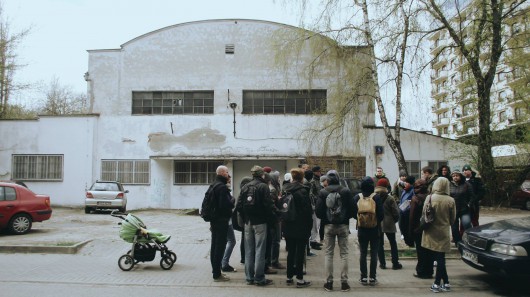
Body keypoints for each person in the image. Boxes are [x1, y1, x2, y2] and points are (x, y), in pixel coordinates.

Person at [236, 165, 276, 286]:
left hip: (248, 222)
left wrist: (245, 219)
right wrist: (272, 220)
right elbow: (268, 206)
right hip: (260, 223)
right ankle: (259, 278)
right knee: (260, 250)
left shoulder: (245, 186)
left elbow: (239, 206)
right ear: (262, 175)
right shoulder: (263, 187)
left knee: (249, 250)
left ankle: (249, 277)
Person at [316, 170, 354, 292]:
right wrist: (346, 217)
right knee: (344, 254)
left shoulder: (323, 192)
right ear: (338, 178)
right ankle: (344, 283)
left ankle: (329, 282)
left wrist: (326, 219)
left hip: (329, 225)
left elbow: (318, 211)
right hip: (343, 225)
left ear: (327, 179)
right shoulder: (346, 191)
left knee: (328, 254)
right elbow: (354, 208)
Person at [421, 178, 456, 293]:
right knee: (441, 257)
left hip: (431, 230)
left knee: (438, 258)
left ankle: (437, 283)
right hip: (443, 231)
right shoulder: (451, 200)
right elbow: (453, 219)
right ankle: (446, 282)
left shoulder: (430, 197)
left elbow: (424, 214)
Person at [282, 168, 313, 288]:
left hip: (288, 224)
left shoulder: (286, 190)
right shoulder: (303, 191)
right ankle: (300, 279)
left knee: (291, 252)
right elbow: (307, 211)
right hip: (301, 225)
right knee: (300, 252)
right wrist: (309, 227)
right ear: (301, 178)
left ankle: (289, 277)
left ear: (292, 178)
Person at [354, 177, 384, 286]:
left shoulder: (357, 197)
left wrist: (360, 220)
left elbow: (353, 212)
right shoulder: (376, 197)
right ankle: (372, 278)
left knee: (363, 253)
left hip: (362, 230)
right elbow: (381, 214)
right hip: (375, 229)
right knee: (374, 254)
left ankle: (363, 277)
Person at [209, 165, 234, 282]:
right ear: (223, 173)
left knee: (214, 246)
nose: (228, 174)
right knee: (219, 247)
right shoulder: (222, 187)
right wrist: (232, 201)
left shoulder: (213, 185)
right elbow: (225, 206)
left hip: (214, 221)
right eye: (227, 172)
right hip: (221, 221)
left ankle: (215, 270)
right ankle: (217, 274)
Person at [409, 179, 434, 279]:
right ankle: (429, 271)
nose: (415, 189)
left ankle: (421, 271)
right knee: (429, 250)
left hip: (418, 228)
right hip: (429, 227)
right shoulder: (431, 197)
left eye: (416, 187)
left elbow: (412, 217)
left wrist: (411, 231)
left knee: (421, 251)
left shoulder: (415, 198)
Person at [375, 178, 402, 270]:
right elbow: (396, 212)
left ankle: (382, 263)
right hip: (389, 223)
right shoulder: (390, 198)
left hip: (378, 223)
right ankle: (395, 263)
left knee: (379, 244)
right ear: (386, 187)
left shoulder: (375, 197)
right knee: (393, 243)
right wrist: (394, 220)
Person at [449, 170, 474, 245]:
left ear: (460, 176)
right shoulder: (449, 185)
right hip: (453, 209)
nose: (455, 177)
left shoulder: (466, 184)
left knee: (466, 224)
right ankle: (458, 242)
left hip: (464, 209)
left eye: (457, 176)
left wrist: (469, 204)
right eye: (453, 176)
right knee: (454, 227)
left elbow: (472, 196)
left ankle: (471, 240)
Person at [268, 170, 285, 270]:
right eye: (278, 178)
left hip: (274, 218)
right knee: (276, 241)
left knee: (274, 240)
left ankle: (272, 260)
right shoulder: (273, 190)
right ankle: (274, 261)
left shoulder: (273, 188)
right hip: (275, 219)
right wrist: (280, 199)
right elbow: (273, 205)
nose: (279, 179)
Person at [221, 175, 237, 273]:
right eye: (229, 181)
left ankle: (222, 262)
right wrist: (233, 200)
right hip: (226, 221)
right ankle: (224, 263)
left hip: (224, 220)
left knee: (225, 241)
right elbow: (227, 205)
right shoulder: (224, 190)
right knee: (231, 241)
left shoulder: (220, 189)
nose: (230, 182)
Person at [237, 176, 253, 265]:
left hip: (242, 219)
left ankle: (243, 257)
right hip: (244, 220)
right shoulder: (245, 193)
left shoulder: (242, 192)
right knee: (245, 239)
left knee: (244, 238)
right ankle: (244, 258)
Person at [398, 175, 416, 247]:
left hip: (408, 213)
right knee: (402, 227)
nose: (404, 184)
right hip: (402, 212)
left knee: (407, 229)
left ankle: (410, 243)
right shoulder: (405, 190)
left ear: (410, 184)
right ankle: (407, 242)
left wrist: (407, 207)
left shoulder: (413, 190)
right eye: (404, 182)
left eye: (406, 182)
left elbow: (413, 202)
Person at [309, 166, 323, 251]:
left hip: (318, 204)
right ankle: (313, 241)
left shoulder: (318, 180)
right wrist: (317, 199)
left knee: (317, 224)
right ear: (314, 172)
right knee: (314, 224)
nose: (319, 173)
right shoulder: (313, 181)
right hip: (315, 205)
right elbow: (311, 194)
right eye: (318, 171)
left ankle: (314, 240)